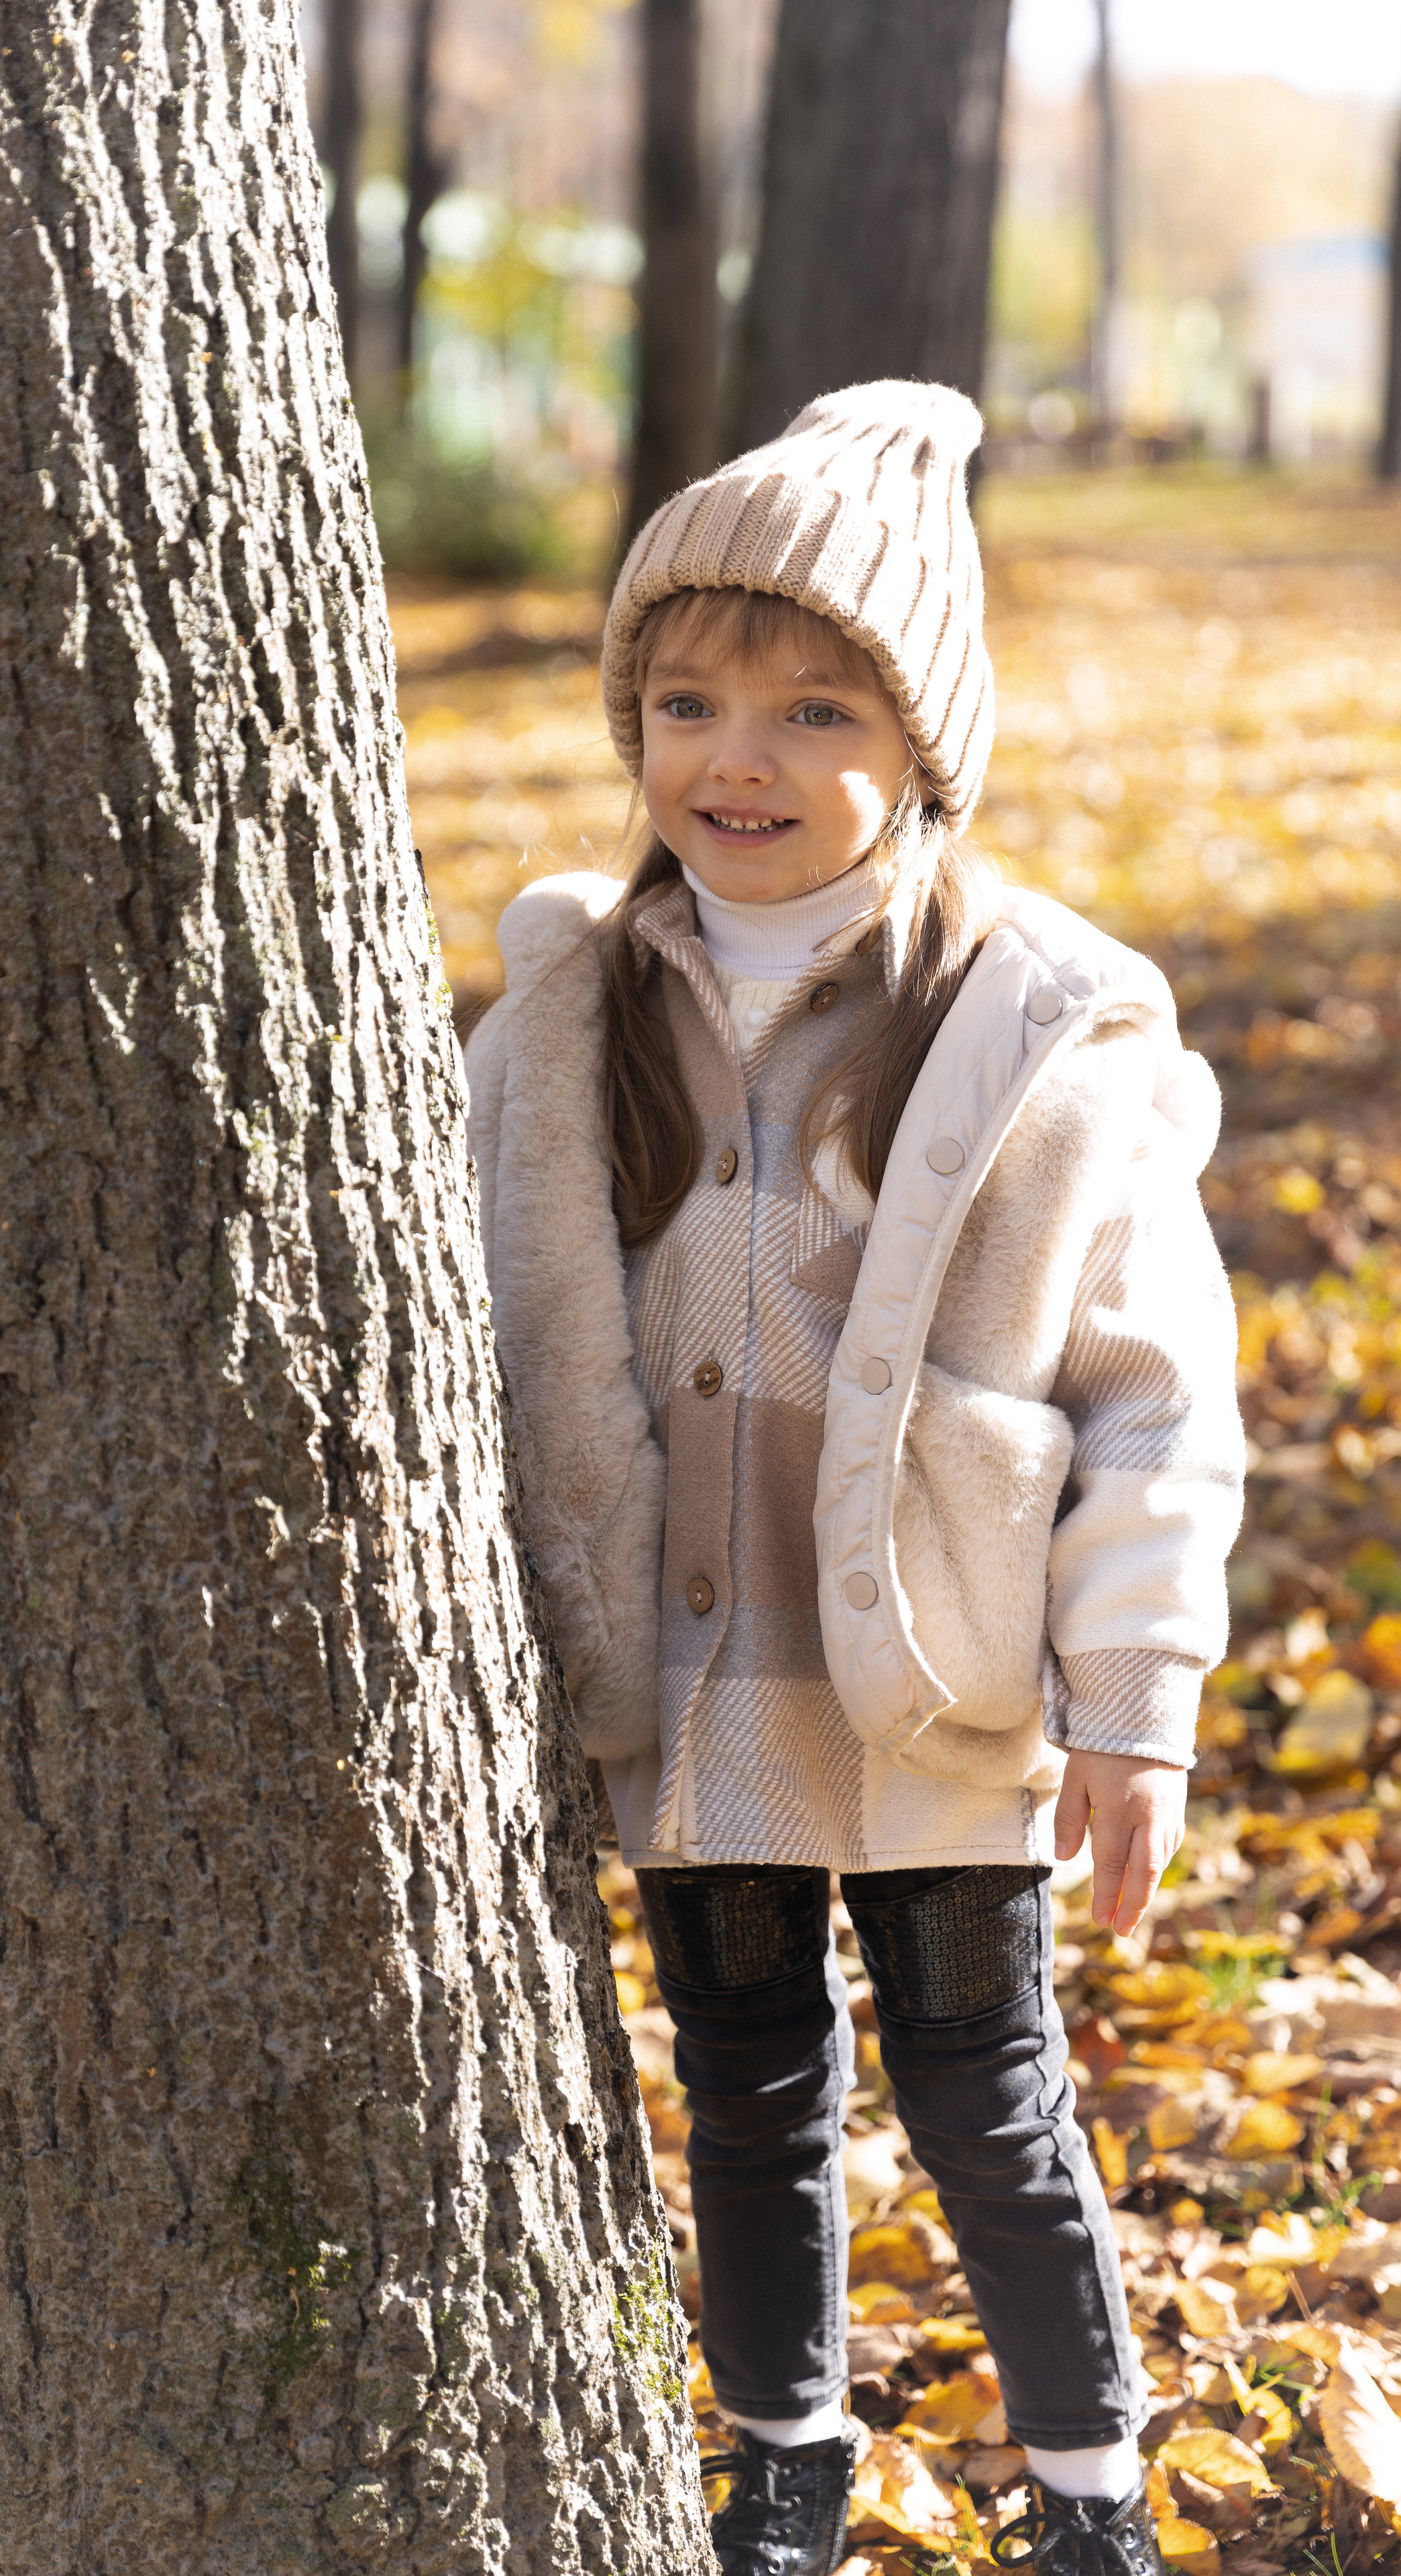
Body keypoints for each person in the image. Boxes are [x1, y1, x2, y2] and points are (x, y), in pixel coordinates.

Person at [463, 380, 1244, 2576]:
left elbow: (1152, 1386)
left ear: (924, 756)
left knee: (985, 2097)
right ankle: (784, 2459)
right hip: (700, 1689)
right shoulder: (562, 1024)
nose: (742, 755)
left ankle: (1091, 2495)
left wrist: (1135, 1699)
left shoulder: (1035, 1040)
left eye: (820, 709)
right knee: (747, 2084)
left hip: (935, 1685)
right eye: (690, 697)